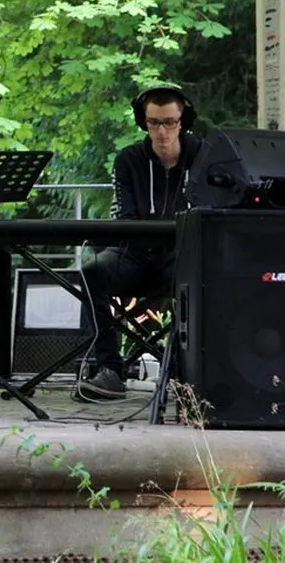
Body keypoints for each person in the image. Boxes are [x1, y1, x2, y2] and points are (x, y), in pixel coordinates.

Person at [77, 85, 203, 400]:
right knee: (93, 271)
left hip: (182, 256)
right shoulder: (128, 160)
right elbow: (127, 221)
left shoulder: (203, 156)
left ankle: (188, 371)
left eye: (170, 122)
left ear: (182, 120)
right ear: (142, 122)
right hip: (134, 255)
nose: (162, 131)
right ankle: (109, 369)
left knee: (203, 275)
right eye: (154, 122)